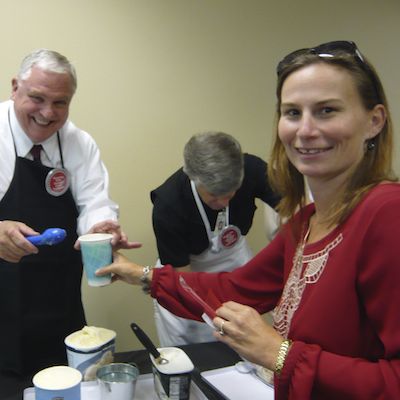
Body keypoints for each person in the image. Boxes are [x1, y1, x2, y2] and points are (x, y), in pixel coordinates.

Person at [98, 40, 400, 399]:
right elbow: (236, 289)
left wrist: (279, 353)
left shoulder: (387, 215)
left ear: (374, 121)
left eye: (327, 110)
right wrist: (142, 275)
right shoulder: (307, 223)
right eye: (292, 113)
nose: (304, 130)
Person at [0, 49, 139, 381]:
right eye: (37, 98)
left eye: (60, 103)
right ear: (15, 87)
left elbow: (95, 201)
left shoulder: (79, 143)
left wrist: (102, 227)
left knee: (62, 381)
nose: (48, 113)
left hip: (57, 300)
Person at [151, 131, 280, 345]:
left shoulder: (252, 169)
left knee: (245, 348)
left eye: (231, 194)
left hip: (235, 261)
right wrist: (216, 313)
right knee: (191, 354)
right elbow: (182, 279)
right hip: (188, 275)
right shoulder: (168, 204)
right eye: (214, 196)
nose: (224, 202)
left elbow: (293, 207)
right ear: (193, 176)